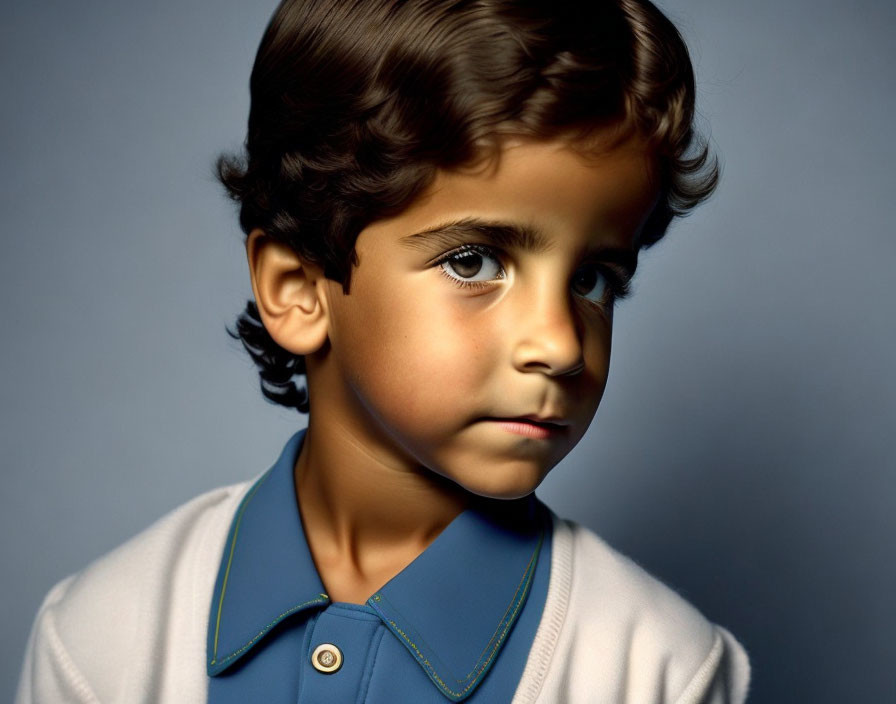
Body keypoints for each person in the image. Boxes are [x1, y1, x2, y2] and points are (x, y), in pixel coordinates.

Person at [15, 0, 750, 702]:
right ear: (300, 288)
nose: (560, 344)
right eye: (473, 262)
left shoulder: (659, 673)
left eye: (592, 278)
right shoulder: (104, 639)